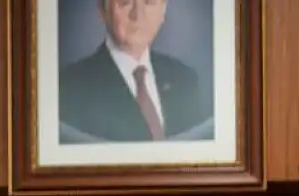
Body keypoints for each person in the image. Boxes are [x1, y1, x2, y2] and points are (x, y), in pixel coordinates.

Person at [59, 0, 210, 143]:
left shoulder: (184, 79)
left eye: (149, 2)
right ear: (102, 10)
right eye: (125, 2)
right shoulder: (72, 87)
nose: (138, 15)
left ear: (163, 10)